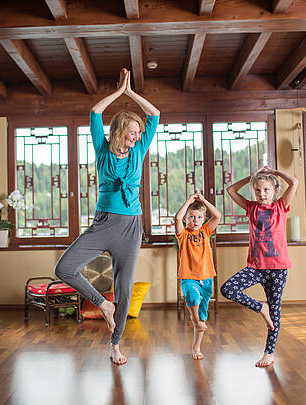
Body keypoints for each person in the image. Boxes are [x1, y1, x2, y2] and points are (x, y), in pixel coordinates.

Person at [54, 68, 160, 365]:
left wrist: (130, 93)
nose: (138, 135)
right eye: (133, 130)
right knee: (64, 267)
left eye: (139, 132)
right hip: (104, 224)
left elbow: (155, 114)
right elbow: (94, 112)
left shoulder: (140, 149)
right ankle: (103, 305)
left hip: (131, 226)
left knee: (124, 288)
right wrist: (117, 93)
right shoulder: (102, 149)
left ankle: (115, 344)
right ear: (120, 129)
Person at [220, 166, 298, 368]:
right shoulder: (251, 208)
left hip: (278, 269)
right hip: (255, 267)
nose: (262, 194)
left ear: (274, 191)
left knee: (276, 312)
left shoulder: (281, 206)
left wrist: (276, 172)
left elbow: (294, 183)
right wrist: (252, 177)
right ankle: (261, 307)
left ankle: (269, 353)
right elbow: (230, 190)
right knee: (227, 289)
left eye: (266, 190)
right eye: (258, 190)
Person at [175, 192, 221, 360]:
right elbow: (177, 218)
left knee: (203, 315)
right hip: (188, 277)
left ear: (203, 219)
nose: (195, 220)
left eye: (199, 217)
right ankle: (194, 319)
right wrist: (189, 201)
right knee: (193, 297)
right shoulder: (183, 235)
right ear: (187, 219)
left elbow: (217, 215)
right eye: (192, 217)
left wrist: (202, 200)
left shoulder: (206, 231)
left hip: (206, 278)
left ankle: (196, 347)